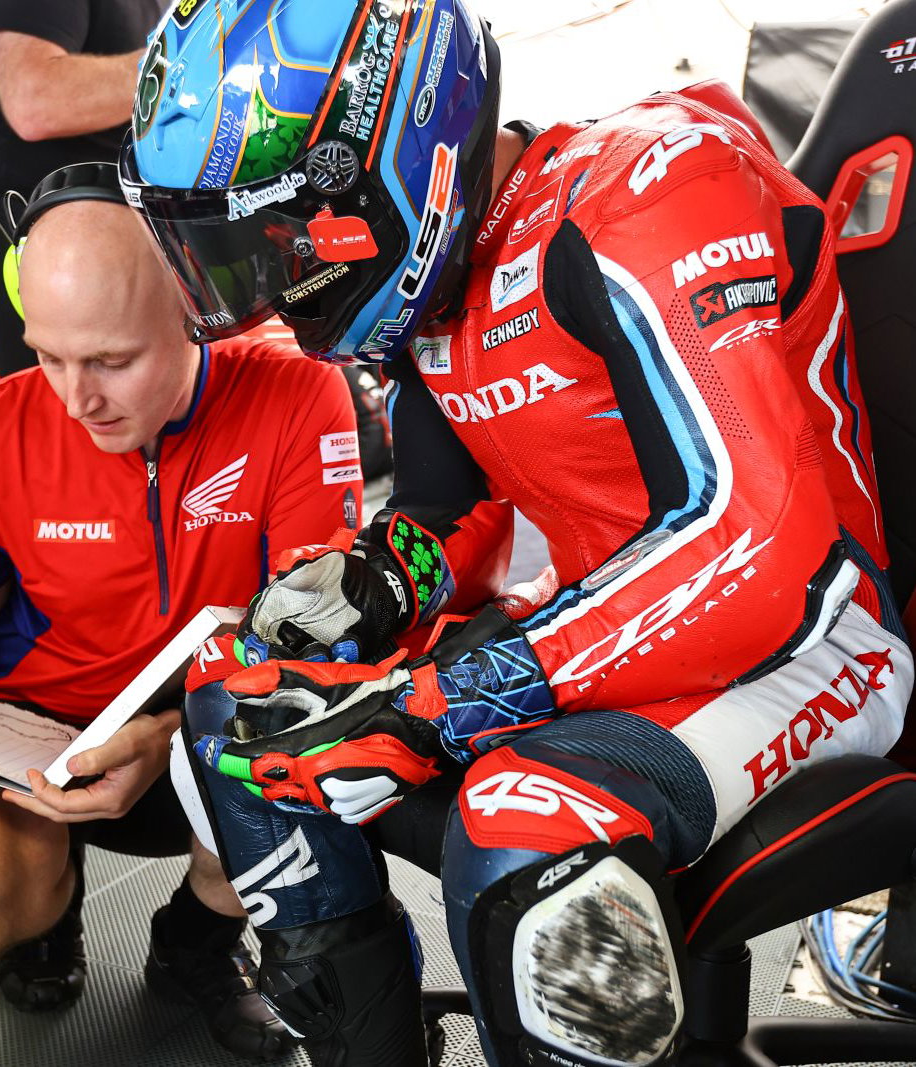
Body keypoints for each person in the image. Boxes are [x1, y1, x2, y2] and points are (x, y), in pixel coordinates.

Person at [121, 3, 915, 1066]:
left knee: (524, 821)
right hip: (613, 634)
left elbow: (755, 540)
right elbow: (449, 517)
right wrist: (365, 584)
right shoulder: (431, 284)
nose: (268, 288)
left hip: (810, 640)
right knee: (238, 700)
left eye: (278, 241)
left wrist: (438, 705)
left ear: (389, 149)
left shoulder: (649, 189)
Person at [0, 183, 363, 1060]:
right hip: (25, 734)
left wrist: (169, 736)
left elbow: (310, 640)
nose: (75, 397)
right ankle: (44, 900)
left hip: (204, 733)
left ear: (199, 312)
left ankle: (195, 938)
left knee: (329, 757)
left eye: (111, 360)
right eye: (48, 356)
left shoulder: (297, 398)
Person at [0, 0, 166, 377]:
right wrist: (182, 62)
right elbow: (35, 100)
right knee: (72, 425)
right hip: (51, 255)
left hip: (141, 245)